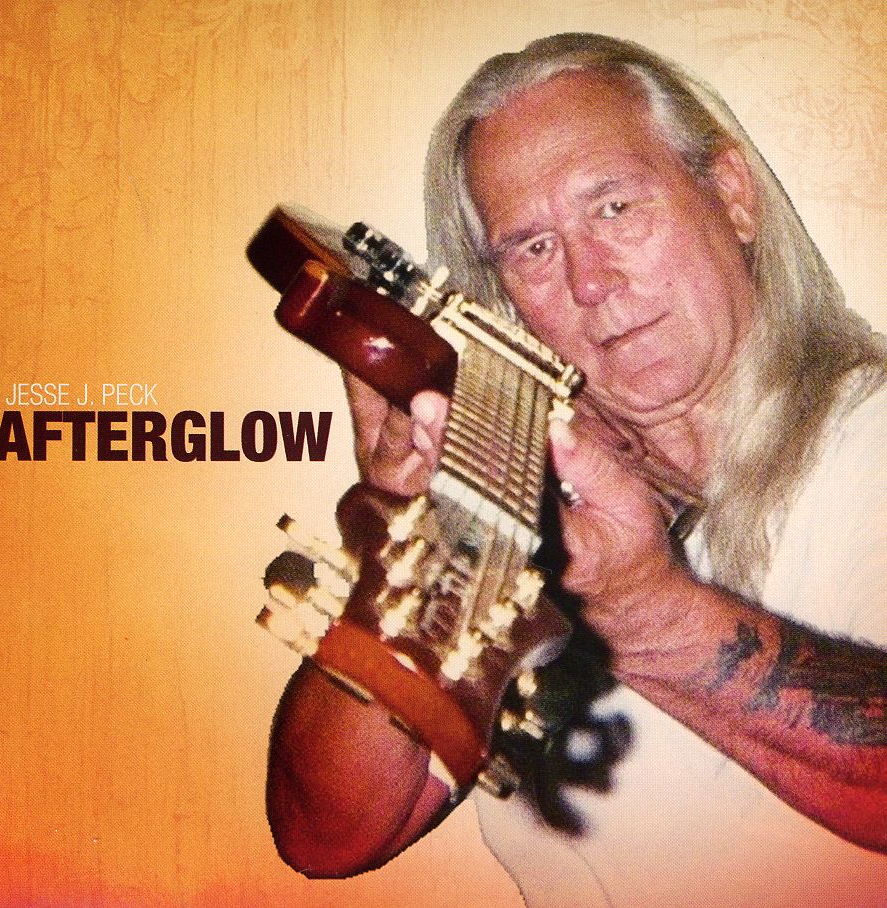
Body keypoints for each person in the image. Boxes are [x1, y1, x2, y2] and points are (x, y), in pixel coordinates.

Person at [268, 34, 887, 905]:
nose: (590, 281)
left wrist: (646, 613)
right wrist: (406, 545)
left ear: (731, 195)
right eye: (532, 248)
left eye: (615, 208)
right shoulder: (525, 521)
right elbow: (326, 833)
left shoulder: (870, 441)